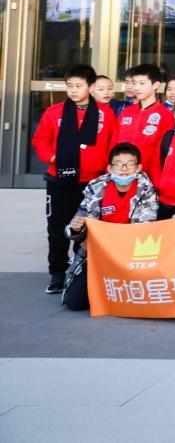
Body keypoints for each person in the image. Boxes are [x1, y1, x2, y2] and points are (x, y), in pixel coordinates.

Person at [32, 63, 117, 295]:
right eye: (70, 86)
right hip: (59, 181)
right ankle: (57, 274)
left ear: (91, 86)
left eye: (79, 86)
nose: (73, 90)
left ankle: (82, 273)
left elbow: (113, 143)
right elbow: (40, 140)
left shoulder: (105, 114)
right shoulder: (54, 112)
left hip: (92, 181)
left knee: (88, 229)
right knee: (57, 228)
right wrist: (51, 157)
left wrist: (109, 168)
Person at [61, 143, 158, 311]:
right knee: (74, 302)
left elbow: (145, 228)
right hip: (98, 255)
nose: (124, 169)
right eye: (118, 164)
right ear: (109, 168)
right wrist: (76, 229)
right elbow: (77, 222)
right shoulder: (95, 189)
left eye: (130, 164)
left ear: (138, 168)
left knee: (140, 299)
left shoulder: (147, 191)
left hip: (131, 257)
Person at [115, 63, 175, 184]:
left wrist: (157, 180)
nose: (136, 88)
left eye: (142, 83)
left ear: (156, 85)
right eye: (134, 83)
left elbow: (165, 152)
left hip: (150, 180)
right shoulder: (125, 112)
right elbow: (114, 143)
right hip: (121, 177)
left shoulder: (167, 116)